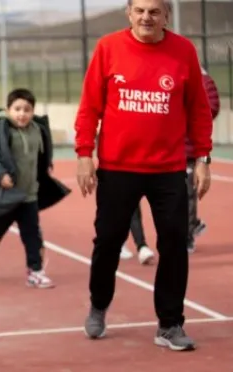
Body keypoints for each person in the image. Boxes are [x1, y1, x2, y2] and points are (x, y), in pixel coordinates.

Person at [75, 0, 213, 351]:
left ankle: (170, 324)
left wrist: (202, 159)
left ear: (166, 14)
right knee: (107, 241)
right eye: (140, 10)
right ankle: (99, 304)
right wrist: (84, 155)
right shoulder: (108, 48)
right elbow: (90, 105)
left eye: (154, 11)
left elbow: (198, 108)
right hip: (118, 168)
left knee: (174, 244)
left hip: (168, 170)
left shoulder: (183, 50)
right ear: (129, 13)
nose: (146, 17)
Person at [0, 88, 70, 288]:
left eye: (27, 109)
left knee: (32, 233)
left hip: (29, 194)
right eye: (17, 109)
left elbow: (42, 154)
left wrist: (46, 168)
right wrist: (0, 175)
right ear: (8, 110)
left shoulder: (37, 129)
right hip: (7, 194)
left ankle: (35, 271)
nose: (22, 114)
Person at [184, 67, 220, 253]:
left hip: (190, 149)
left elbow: (212, 108)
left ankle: (188, 234)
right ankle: (193, 224)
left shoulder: (205, 81)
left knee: (188, 193)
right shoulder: (175, 78)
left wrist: (189, 113)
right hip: (170, 148)